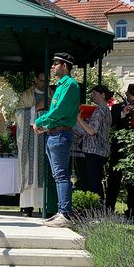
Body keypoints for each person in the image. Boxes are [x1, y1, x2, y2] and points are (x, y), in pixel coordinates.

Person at [33, 52, 80, 228]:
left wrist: (39, 121)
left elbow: (60, 111)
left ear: (65, 66)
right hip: (54, 134)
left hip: (60, 135)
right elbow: (58, 113)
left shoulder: (70, 85)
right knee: (58, 175)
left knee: (61, 175)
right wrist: (45, 125)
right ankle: (61, 212)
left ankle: (65, 214)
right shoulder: (61, 85)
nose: (52, 67)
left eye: (55, 64)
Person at [15, 71, 54, 217]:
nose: (44, 84)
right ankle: (27, 206)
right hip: (30, 138)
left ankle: (46, 205)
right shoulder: (26, 95)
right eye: (42, 80)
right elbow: (18, 114)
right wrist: (36, 107)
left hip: (46, 136)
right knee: (29, 169)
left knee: (45, 170)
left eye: (47, 81)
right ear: (36, 80)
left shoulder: (52, 94)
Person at [106, 84, 134, 219]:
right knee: (114, 178)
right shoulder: (117, 107)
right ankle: (109, 208)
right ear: (127, 94)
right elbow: (110, 123)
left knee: (132, 181)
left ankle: (131, 209)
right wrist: (123, 113)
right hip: (118, 148)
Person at [76, 85, 113, 202]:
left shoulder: (100, 111)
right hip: (101, 150)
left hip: (94, 150)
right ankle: (99, 209)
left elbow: (91, 131)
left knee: (93, 183)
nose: (93, 97)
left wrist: (79, 119)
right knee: (95, 181)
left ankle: (98, 210)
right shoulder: (106, 110)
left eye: (95, 94)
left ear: (103, 95)